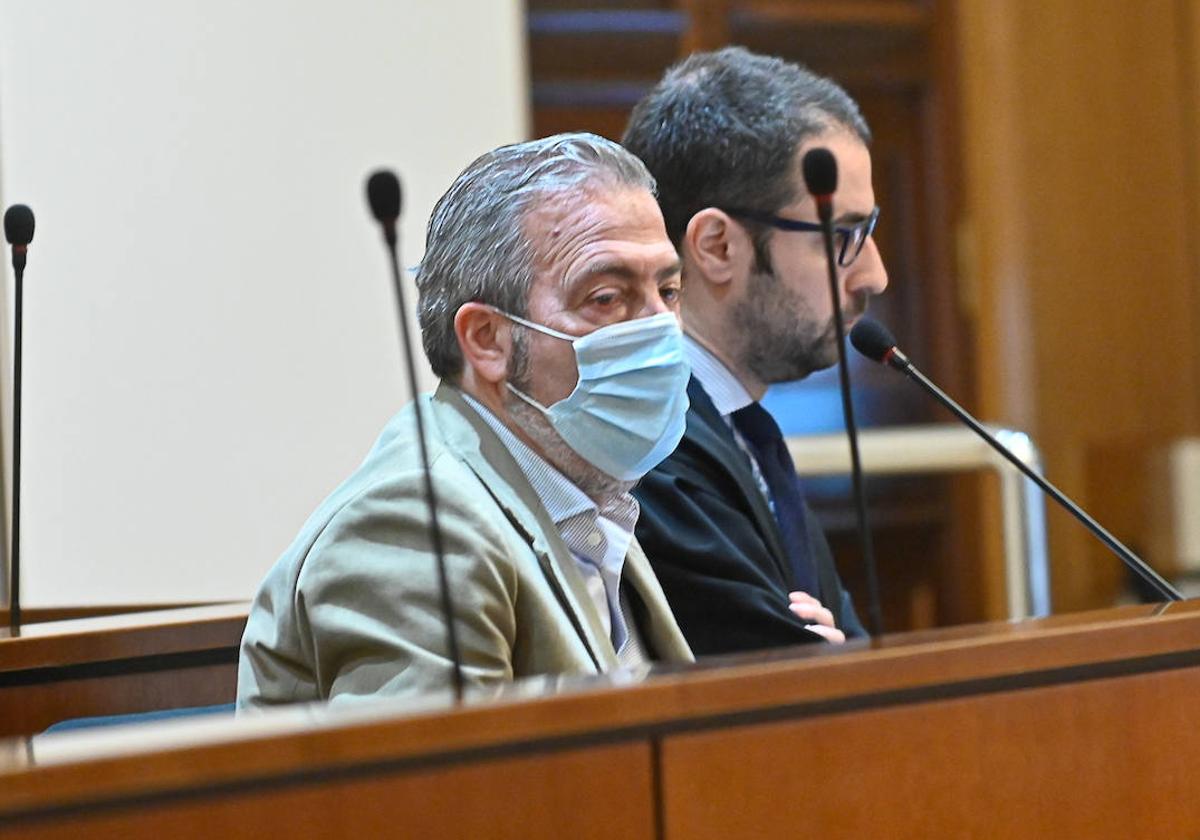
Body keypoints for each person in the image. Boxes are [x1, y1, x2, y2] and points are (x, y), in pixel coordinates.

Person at [238, 133, 694, 708]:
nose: (661, 329)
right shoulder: (415, 526)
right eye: (606, 298)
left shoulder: (581, 491)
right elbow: (436, 796)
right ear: (487, 340)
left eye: (669, 290)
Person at [622, 47, 889, 654]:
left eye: (868, 233)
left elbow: (846, 646)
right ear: (717, 245)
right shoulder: (648, 446)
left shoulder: (745, 431)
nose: (874, 275)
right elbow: (791, 663)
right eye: (841, 236)